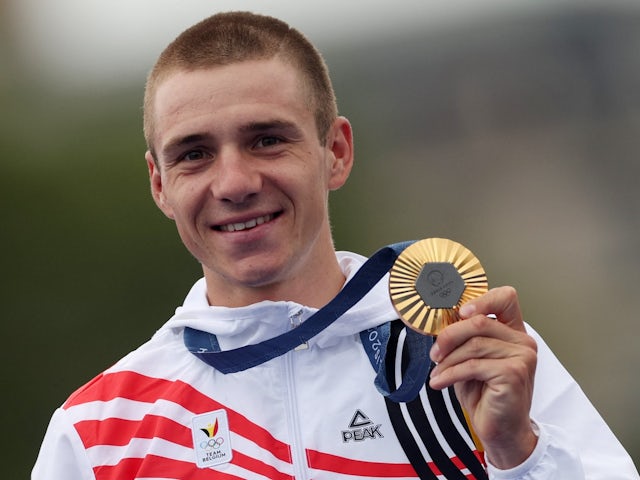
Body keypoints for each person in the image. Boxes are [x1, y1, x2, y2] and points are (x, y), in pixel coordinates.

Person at [32, 11, 638, 480]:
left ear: (336, 152)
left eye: (267, 140)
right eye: (194, 154)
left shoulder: (468, 358)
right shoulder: (101, 432)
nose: (236, 183)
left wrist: (515, 454)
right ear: (160, 184)